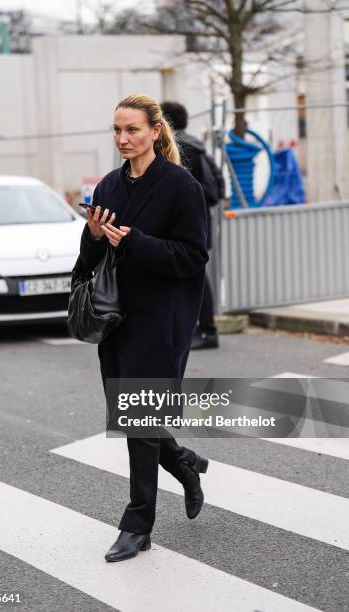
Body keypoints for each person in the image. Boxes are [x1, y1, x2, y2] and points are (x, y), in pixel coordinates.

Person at [75, 93, 210, 562]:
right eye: (117, 130)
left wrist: (136, 243)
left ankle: (138, 524)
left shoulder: (181, 187)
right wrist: (94, 236)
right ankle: (184, 463)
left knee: (139, 421)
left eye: (132, 129)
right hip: (116, 318)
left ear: (155, 131)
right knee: (131, 415)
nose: (123, 138)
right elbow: (90, 258)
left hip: (161, 317)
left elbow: (193, 257)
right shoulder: (109, 186)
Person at [161, 101, 224, 350]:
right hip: (200, 219)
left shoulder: (182, 148)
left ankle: (208, 329)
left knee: (197, 274)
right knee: (194, 273)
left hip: (189, 222)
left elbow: (180, 190)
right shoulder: (196, 144)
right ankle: (200, 327)